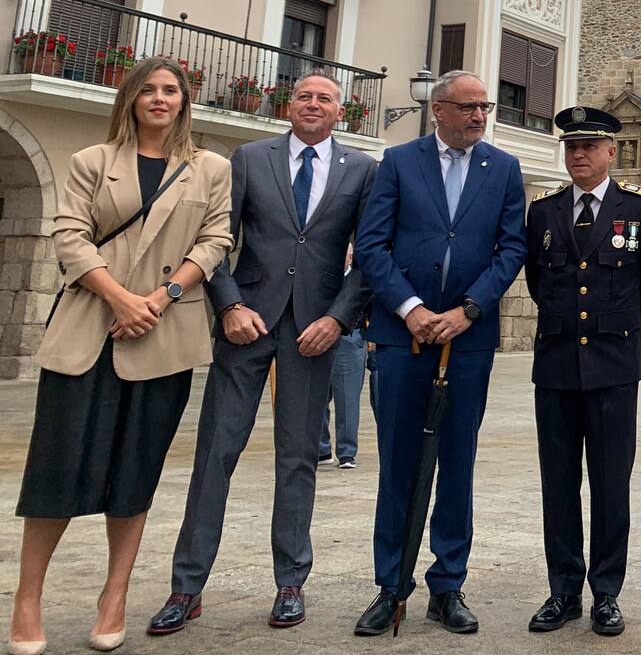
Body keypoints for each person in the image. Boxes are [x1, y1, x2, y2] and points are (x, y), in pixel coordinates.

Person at [8, 58, 232, 655]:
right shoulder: (92, 161)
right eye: (149, 90)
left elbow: (215, 240)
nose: (160, 99)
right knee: (55, 470)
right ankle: (27, 600)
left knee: (136, 473)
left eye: (172, 91)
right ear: (131, 99)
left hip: (163, 336)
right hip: (89, 329)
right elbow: (69, 235)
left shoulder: (210, 168)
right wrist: (121, 299)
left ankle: (115, 595)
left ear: (186, 101)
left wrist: (160, 298)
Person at [147, 74, 376, 636]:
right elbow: (215, 239)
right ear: (288, 105)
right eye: (304, 96)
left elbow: (370, 253)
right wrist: (227, 306)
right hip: (245, 325)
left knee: (298, 457)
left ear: (339, 111)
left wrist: (339, 317)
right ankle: (187, 587)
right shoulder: (248, 159)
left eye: (325, 98)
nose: (313, 105)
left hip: (313, 330)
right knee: (215, 455)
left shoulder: (362, 170)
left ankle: (291, 583)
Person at [351, 70, 526, 638]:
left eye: (486, 107)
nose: (480, 116)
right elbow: (372, 245)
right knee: (399, 462)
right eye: (469, 107)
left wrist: (469, 309)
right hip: (404, 339)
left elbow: (511, 249)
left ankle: (448, 585)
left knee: (457, 462)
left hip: (467, 343)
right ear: (438, 111)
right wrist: (410, 308)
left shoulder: (502, 169)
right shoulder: (398, 163)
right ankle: (391, 585)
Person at [524, 107, 641, 638]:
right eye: (571, 147)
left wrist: (615, 325)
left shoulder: (640, 209)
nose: (578, 155)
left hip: (612, 366)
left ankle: (606, 592)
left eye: (589, 146)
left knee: (611, 484)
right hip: (557, 365)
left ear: (612, 151)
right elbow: (539, 282)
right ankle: (563, 589)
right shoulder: (544, 211)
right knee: (558, 484)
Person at [320, 253, 368, 469]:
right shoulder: (321, 275)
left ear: (349, 257)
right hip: (318, 337)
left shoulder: (358, 279)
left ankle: (347, 452)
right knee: (317, 395)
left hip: (350, 338)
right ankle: (321, 448)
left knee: (347, 398)